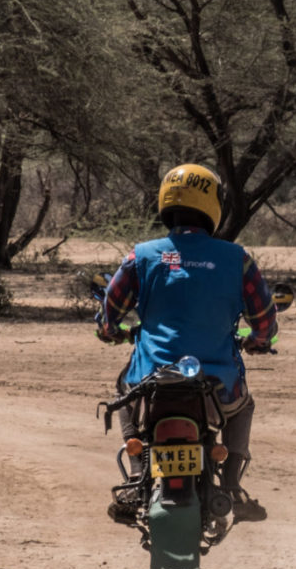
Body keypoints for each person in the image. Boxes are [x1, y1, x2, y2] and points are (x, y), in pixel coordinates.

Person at [98, 163, 277, 522]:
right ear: (214, 205)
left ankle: (136, 477)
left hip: (150, 378)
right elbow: (265, 320)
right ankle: (230, 485)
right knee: (244, 406)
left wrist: (110, 330)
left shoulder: (141, 256)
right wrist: (259, 339)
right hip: (217, 384)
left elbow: (110, 312)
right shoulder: (237, 259)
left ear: (166, 201)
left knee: (124, 392)